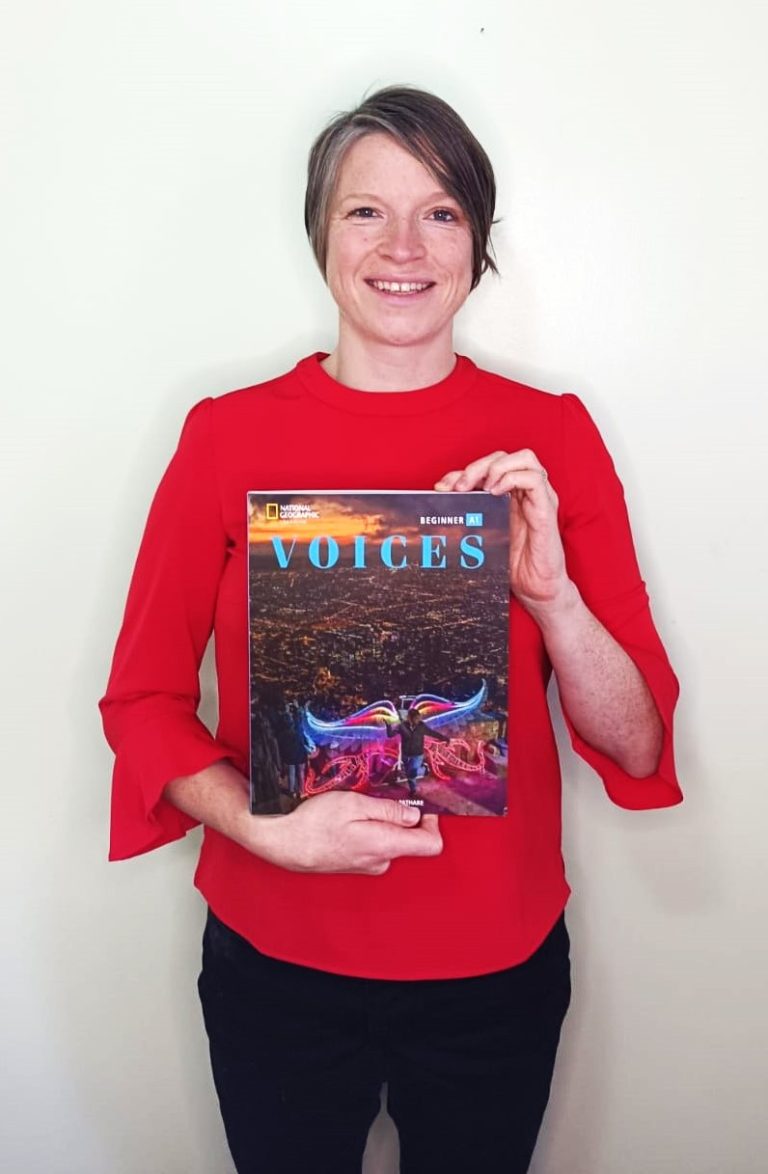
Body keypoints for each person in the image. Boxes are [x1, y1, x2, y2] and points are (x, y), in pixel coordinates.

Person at [99, 85, 683, 1174]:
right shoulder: (225, 437)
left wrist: (551, 597)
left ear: (479, 240)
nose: (403, 245)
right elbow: (140, 704)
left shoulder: (548, 437)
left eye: (443, 212)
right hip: (275, 959)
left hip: (492, 973)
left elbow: (641, 744)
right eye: (366, 211)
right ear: (321, 233)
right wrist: (262, 828)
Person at [386, 705, 451, 796]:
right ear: (410, 718)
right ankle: (418, 778)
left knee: (412, 773)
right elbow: (390, 735)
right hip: (405, 754)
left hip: (417, 755)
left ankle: (415, 785)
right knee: (409, 773)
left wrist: (445, 738)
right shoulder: (402, 726)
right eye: (415, 718)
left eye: (418, 718)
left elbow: (432, 733)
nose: (418, 720)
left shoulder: (422, 726)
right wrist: (388, 726)